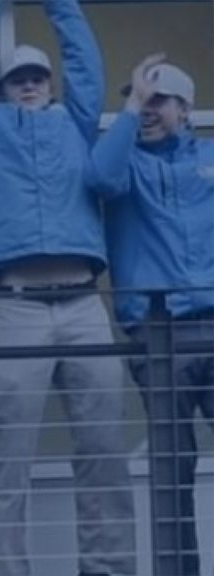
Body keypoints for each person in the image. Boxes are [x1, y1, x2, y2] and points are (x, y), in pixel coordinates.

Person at [0, 1, 136, 575]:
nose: (29, 85)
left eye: (37, 77)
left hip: (84, 303)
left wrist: (60, 5)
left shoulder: (74, 124)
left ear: (52, 85)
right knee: (9, 457)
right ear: (2, 90)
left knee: (103, 449)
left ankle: (107, 569)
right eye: (17, 79)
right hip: (18, 309)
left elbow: (85, 63)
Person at [92, 54, 207, 576]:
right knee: (172, 468)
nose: (148, 110)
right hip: (157, 335)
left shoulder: (209, 160)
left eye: (159, 101)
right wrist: (130, 106)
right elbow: (99, 177)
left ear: (185, 107)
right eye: (141, 100)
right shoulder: (124, 163)